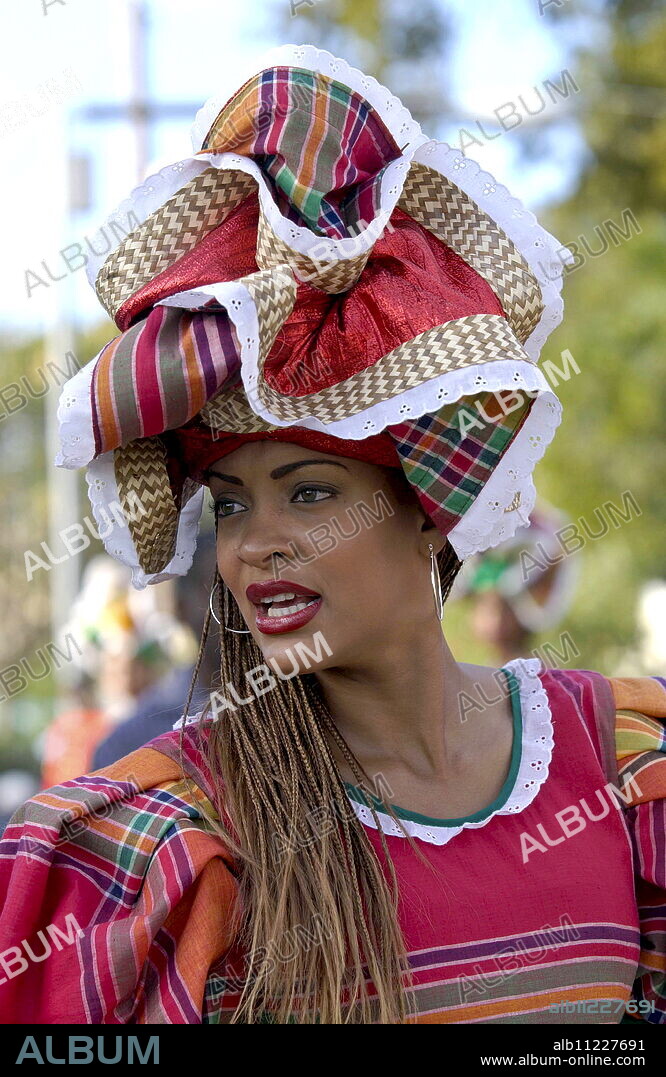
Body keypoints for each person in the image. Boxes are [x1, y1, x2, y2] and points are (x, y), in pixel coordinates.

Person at [0, 45, 664, 1026]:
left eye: (309, 493)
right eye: (229, 502)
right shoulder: (173, 839)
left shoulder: (618, 766)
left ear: (426, 506)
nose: (255, 543)